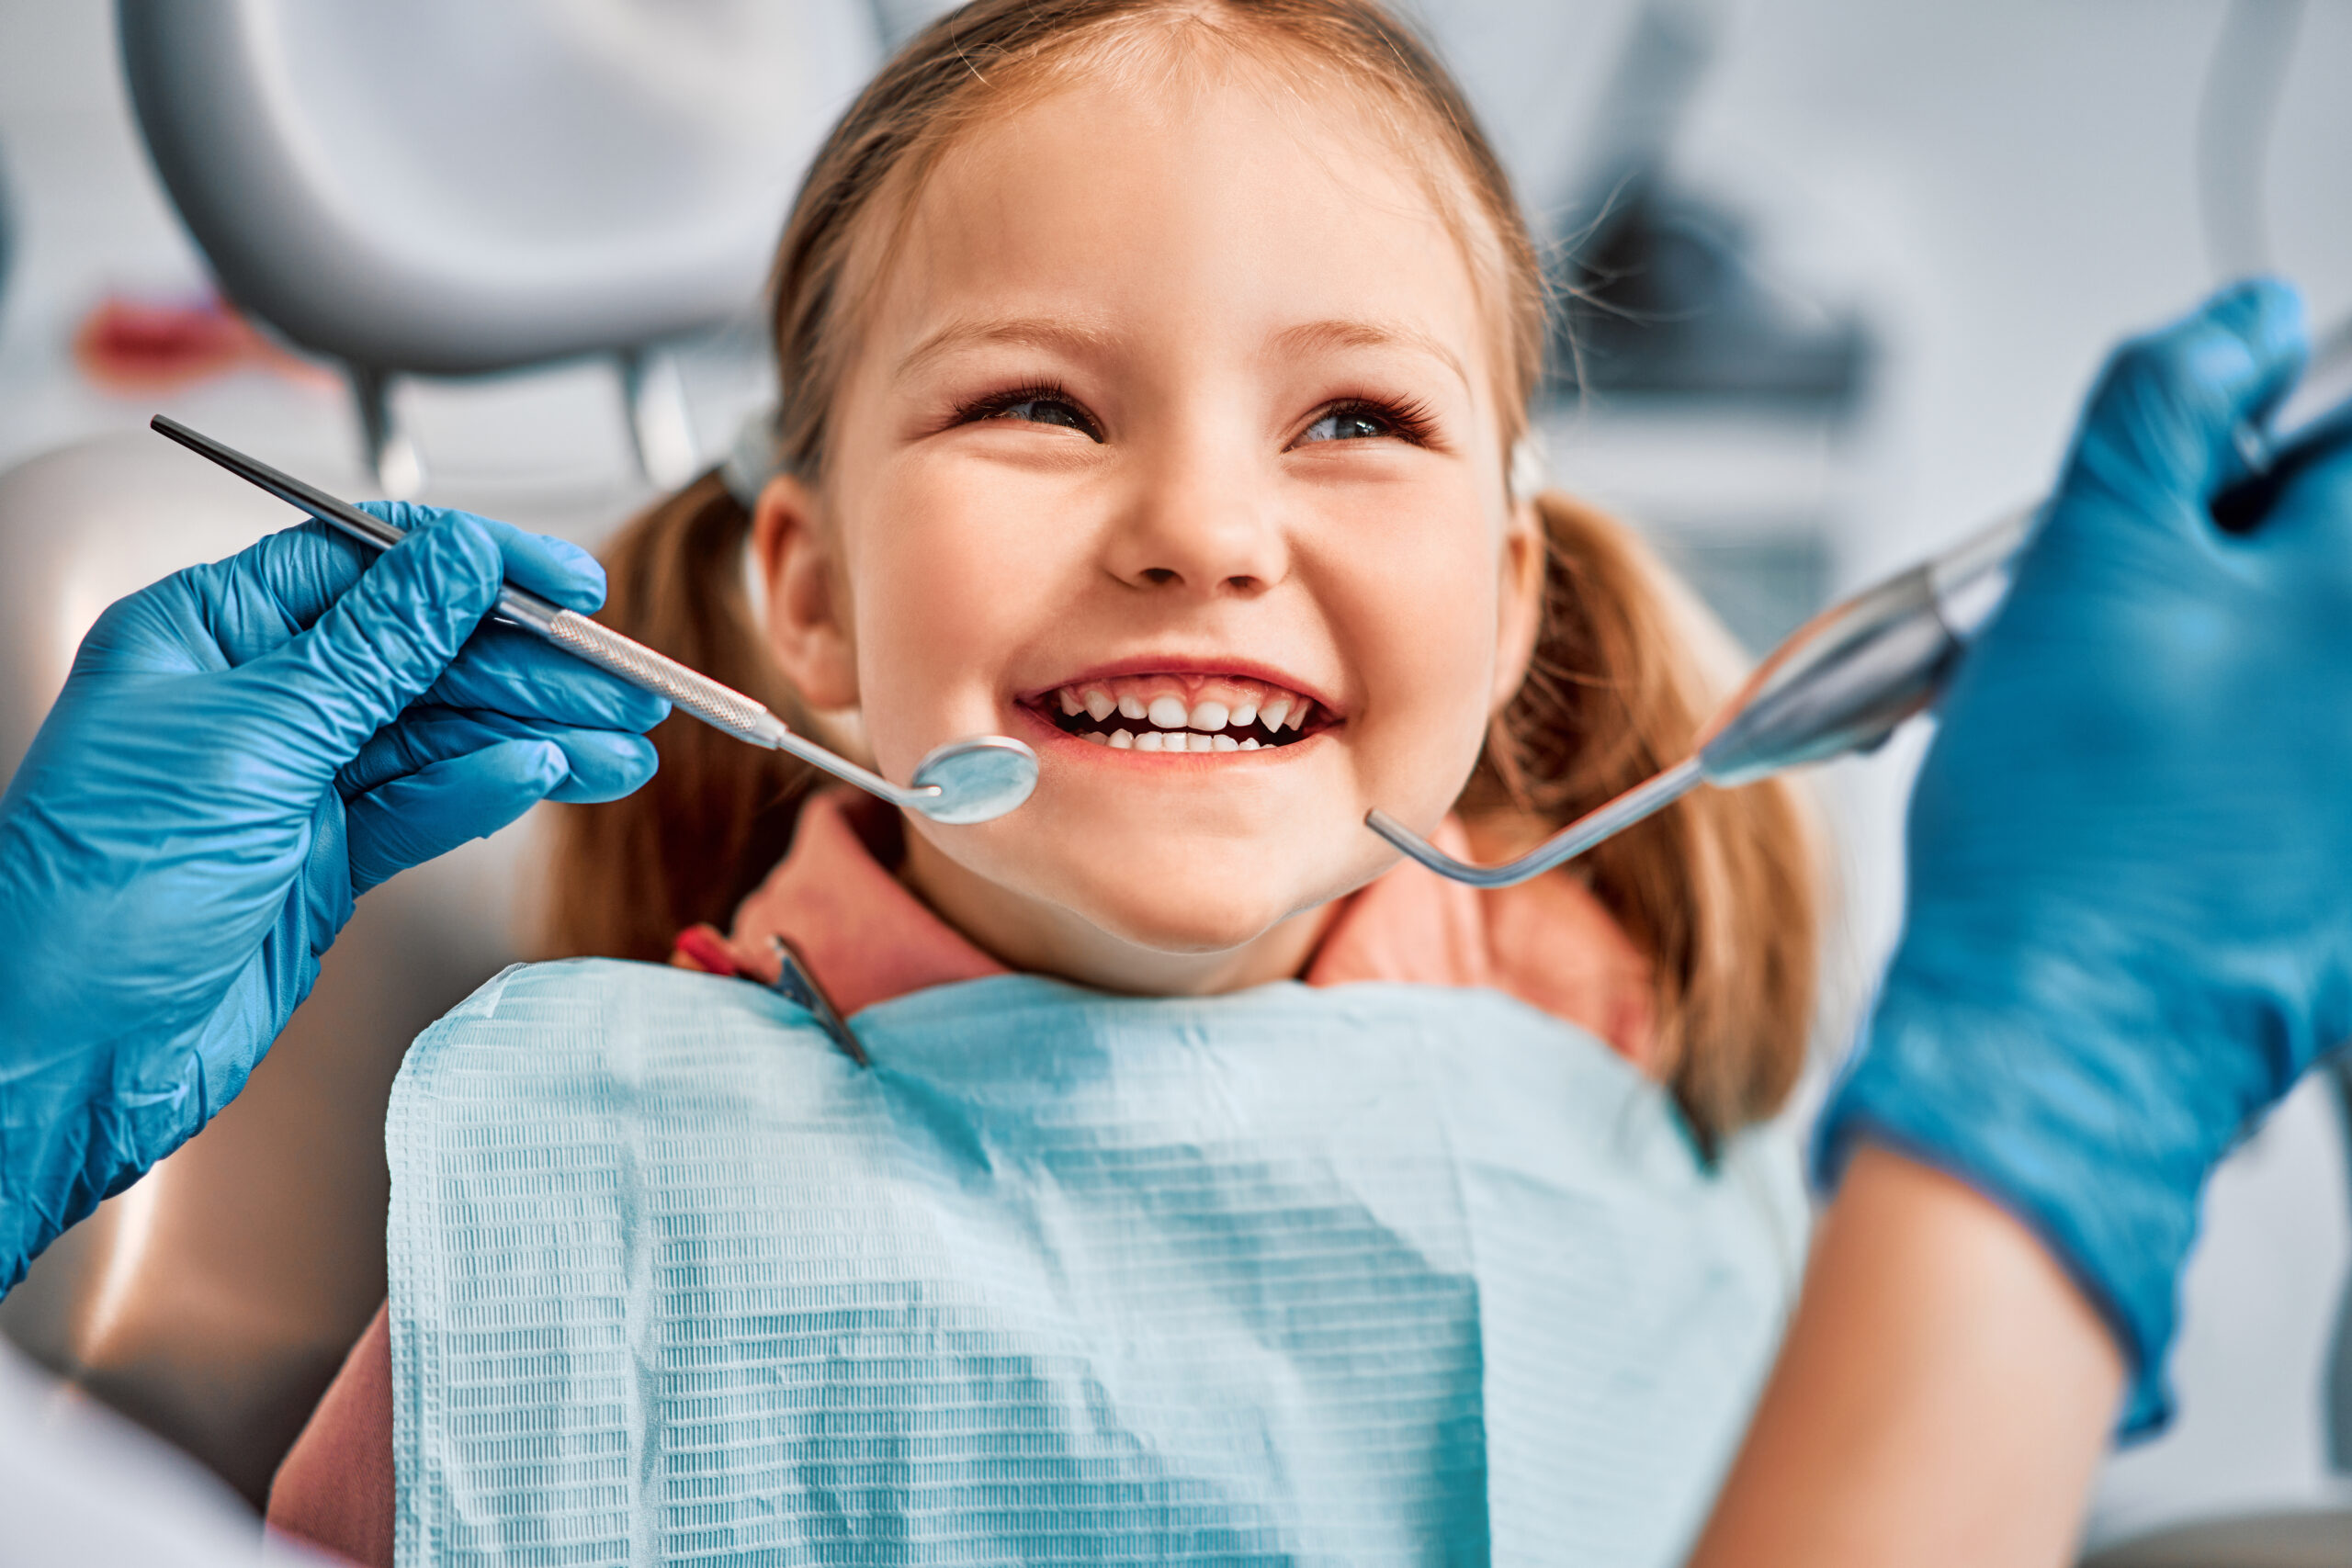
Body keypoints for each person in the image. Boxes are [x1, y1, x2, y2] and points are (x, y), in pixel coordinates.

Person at [0, 9, 2343, 1568]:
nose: (1202, 528)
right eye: (1035, 402)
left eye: (1355, 419)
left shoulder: (1625, 1106)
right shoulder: (579, 1191)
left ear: (1510, 595)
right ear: (802, 600)